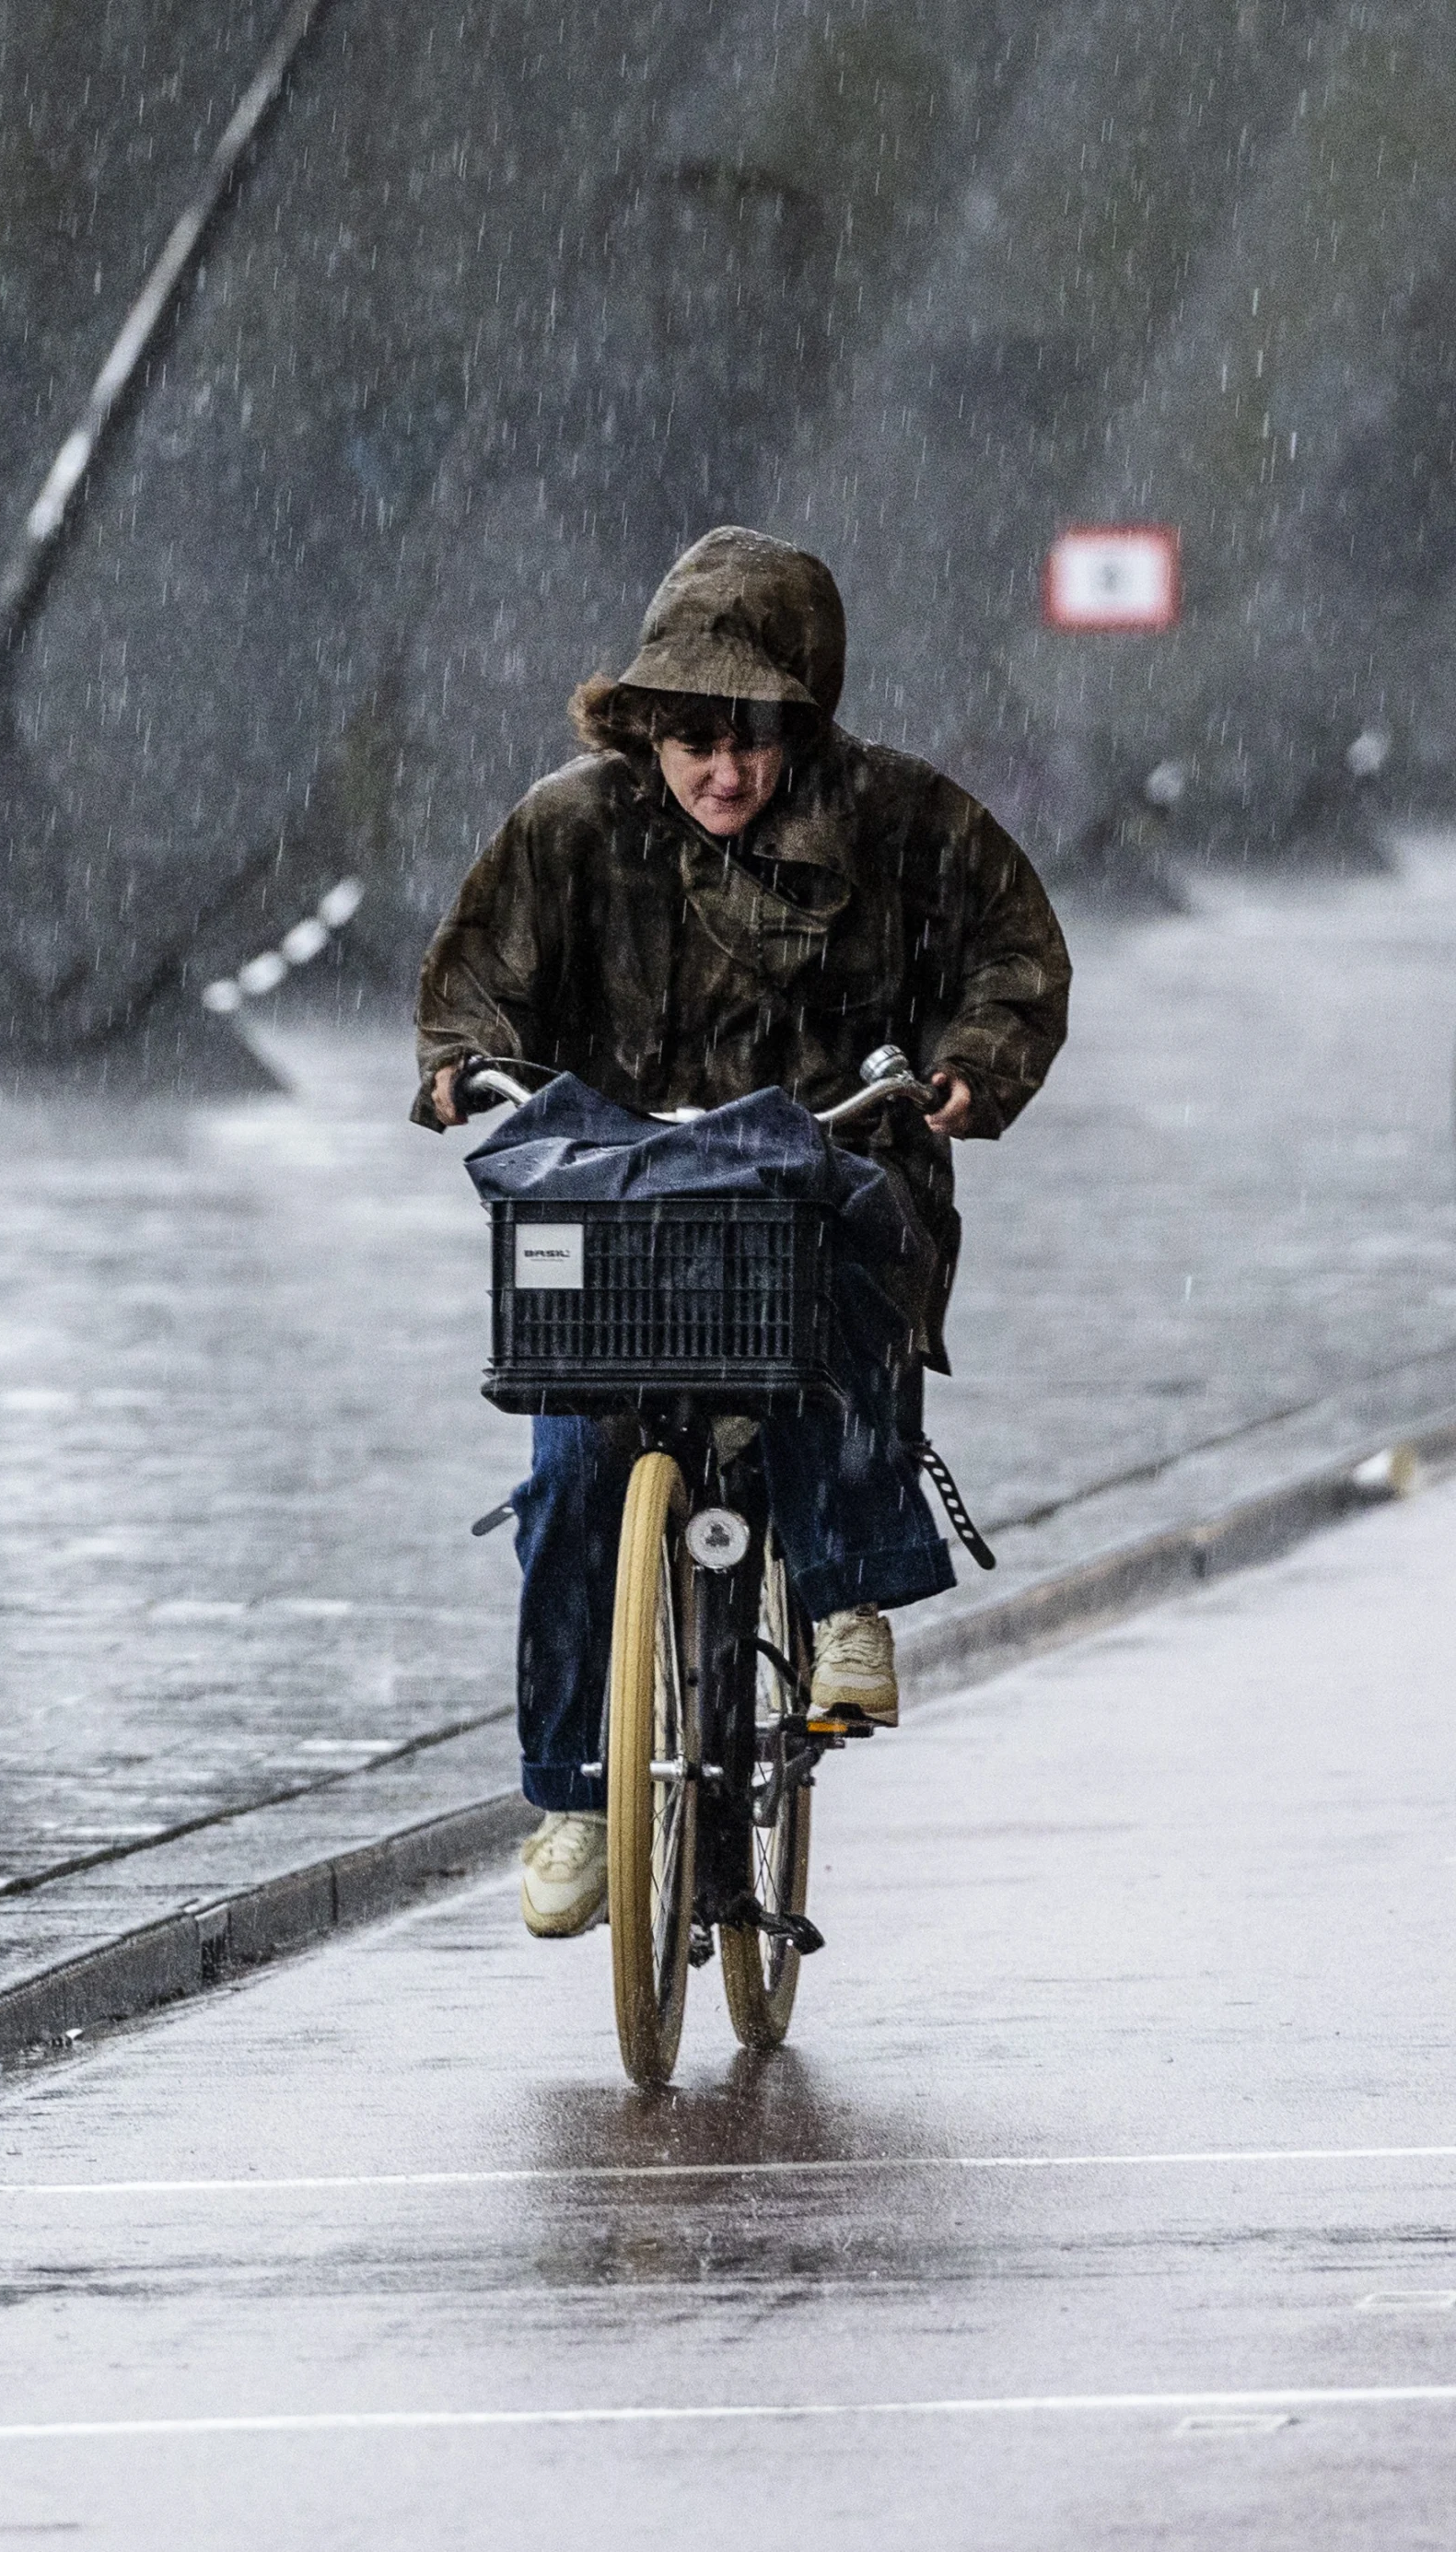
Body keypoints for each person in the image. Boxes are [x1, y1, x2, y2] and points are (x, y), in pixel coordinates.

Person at [413, 526, 1071, 1938]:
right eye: (694, 739)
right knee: (572, 1471)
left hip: (819, 1173)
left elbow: (1018, 952)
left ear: (803, 723)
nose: (724, 772)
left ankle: (846, 1597)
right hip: (624, 1197)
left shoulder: (901, 821)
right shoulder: (569, 828)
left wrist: (967, 1064)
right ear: (646, 726)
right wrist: (466, 1059)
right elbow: (478, 985)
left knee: (836, 1314)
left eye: (755, 742)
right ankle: (576, 1796)